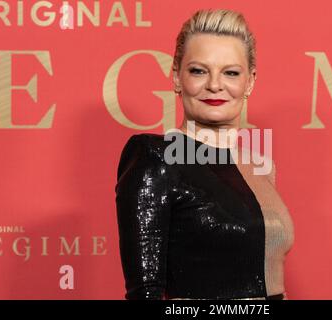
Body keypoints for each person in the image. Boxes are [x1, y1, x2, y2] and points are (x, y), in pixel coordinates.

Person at [115, 8, 294, 300]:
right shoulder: (156, 157)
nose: (214, 85)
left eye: (231, 73)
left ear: (249, 82)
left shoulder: (260, 165)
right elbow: (144, 294)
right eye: (199, 70)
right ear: (176, 77)